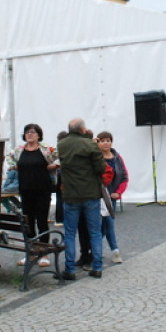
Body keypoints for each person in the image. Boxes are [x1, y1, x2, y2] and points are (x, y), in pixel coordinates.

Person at [5, 123, 60, 267]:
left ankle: (44, 253)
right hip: (25, 190)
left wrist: (53, 166)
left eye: (33, 132)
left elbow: (60, 157)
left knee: (42, 222)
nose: (30, 134)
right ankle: (30, 253)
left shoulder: (45, 149)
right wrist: (15, 166)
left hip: (42, 190)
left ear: (38, 135)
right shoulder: (19, 150)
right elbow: (9, 158)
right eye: (27, 132)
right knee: (28, 223)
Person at [58, 118, 106, 279]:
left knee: (70, 233)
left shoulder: (62, 144)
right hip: (90, 193)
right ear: (82, 129)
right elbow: (101, 168)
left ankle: (70, 270)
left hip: (71, 195)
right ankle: (97, 267)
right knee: (94, 232)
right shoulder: (90, 144)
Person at [96, 131, 128, 264]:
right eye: (102, 141)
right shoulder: (96, 158)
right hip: (98, 196)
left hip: (112, 196)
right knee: (103, 224)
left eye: (108, 140)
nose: (105, 143)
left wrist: (119, 192)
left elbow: (124, 176)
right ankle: (113, 250)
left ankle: (107, 250)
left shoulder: (117, 158)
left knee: (107, 224)